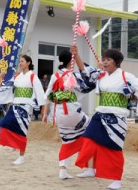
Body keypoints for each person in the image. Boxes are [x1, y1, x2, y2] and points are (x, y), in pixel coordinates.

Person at [75, 49, 138, 189]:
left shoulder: (126, 76)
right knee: (88, 139)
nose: (105, 62)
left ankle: (116, 179)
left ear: (116, 62)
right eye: (104, 59)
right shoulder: (100, 75)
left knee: (114, 148)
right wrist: (76, 54)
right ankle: (90, 169)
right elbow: (85, 70)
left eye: (108, 59)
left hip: (116, 117)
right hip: (100, 113)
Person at [42, 46, 98, 179]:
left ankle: (63, 170)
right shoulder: (73, 75)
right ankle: (90, 168)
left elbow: (48, 94)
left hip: (59, 113)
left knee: (66, 141)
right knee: (91, 135)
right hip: (73, 112)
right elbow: (88, 85)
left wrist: (44, 113)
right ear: (71, 61)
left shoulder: (55, 76)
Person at [0, 55, 45, 165]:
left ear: (28, 63)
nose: (20, 63)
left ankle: (21, 157)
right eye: (20, 61)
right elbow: (4, 87)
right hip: (15, 105)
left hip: (26, 107)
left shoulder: (33, 77)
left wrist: (43, 110)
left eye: (22, 61)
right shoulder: (17, 76)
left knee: (22, 131)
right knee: (4, 123)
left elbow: (41, 94)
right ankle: (13, 144)